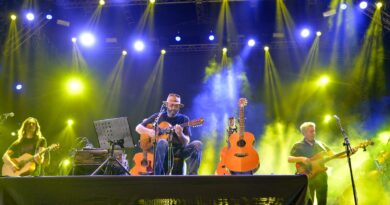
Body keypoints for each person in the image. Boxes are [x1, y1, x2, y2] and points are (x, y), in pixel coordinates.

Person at [288, 122, 355, 205]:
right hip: (307, 177)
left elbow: (334, 155)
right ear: (304, 133)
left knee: (322, 202)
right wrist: (302, 158)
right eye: (311, 131)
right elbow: (290, 159)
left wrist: (349, 153)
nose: (313, 133)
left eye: (314, 131)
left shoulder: (321, 144)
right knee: (308, 202)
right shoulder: (298, 145)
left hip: (321, 177)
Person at [135, 93, 202, 175]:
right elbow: (138, 128)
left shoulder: (184, 119)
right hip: (162, 149)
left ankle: (193, 176)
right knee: (163, 142)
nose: (173, 108)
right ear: (166, 104)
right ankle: (158, 176)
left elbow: (186, 142)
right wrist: (150, 132)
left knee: (197, 144)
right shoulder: (158, 116)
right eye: (171, 105)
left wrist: (180, 134)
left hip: (178, 150)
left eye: (176, 106)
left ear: (179, 106)